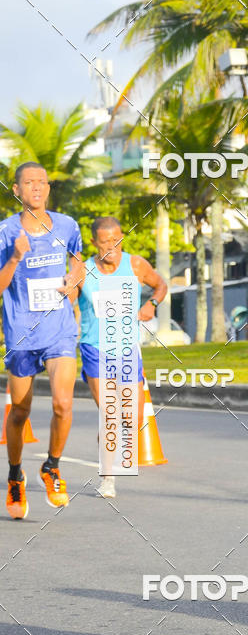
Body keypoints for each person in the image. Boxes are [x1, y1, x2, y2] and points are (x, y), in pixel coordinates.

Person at [0, 162, 84, 518]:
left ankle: (51, 467)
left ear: (49, 188)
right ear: (16, 190)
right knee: (20, 410)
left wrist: (74, 282)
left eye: (42, 182)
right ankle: (15, 475)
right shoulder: (5, 232)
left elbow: (78, 262)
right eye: (29, 182)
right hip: (21, 332)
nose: (36, 187)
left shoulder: (67, 225)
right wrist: (16, 256)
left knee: (63, 404)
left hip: (59, 329)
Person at [75, 216, 167, 498]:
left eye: (116, 240)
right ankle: (108, 477)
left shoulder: (136, 265)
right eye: (105, 242)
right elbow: (66, 302)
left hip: (127, 350)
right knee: (110, 414)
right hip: (95, 349)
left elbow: (161, 285)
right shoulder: (83, 271)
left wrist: (151, 304)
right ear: (94, 242)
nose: (112, 247)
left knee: (132, 418)